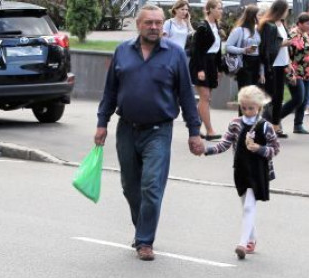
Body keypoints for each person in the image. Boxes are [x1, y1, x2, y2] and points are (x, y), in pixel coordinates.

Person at [95, 4, 204, 262]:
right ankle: (142, 228)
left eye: (158, 23)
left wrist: (194, 131)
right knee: (130, 187)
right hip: (127, 130)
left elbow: (187, 96)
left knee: (151, 187)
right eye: (149, 23)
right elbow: (110, 91)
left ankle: (145, 241)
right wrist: (102, 123)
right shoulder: (122, 51)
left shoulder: (175, 54)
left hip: (159, 131)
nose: (154, 27)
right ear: (138, 25)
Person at [204, 86, 280, 260]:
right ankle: (252, 239)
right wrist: (207, 150)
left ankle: (242, 244)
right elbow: (224, 144)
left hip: (258, 171)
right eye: (244, 107)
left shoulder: (265, 126)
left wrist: (259, 149)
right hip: (241, 169)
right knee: (245, 205)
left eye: (251, 108)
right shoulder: (235, 123)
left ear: (259, 107)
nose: (247, 111)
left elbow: (275, 149)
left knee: (248, 206)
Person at [190, 0, 224, 141]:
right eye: (219, 8)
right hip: (201, 64)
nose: (221, 11)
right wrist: (200, 70)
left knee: (205, 98)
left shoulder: (216, 26)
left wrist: (218, 68)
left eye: (221, 8)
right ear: (210, 9)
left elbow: (217, 51)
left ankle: (195, 130)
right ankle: (210, 131)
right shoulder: (202, 27)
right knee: (205, 98)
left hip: (211, 65)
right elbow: (196, 50)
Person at [258, 0, 291, 138]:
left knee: (278, 97)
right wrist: (285, 43)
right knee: (272, 97)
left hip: (282, 64)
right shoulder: (268, 25)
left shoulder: (281, 24)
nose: (288, 12)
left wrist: (288, 63)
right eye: (286, 10)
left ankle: (275, 126)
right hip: (272, 65)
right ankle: (266, 127)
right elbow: (268, 47)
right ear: (280, 10)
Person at [281, 13, 309, 135]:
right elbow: (287, 55)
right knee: (298, 98)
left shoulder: (307, 34)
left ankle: (298, 125)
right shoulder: (293, 34)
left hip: (307, 71)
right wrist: (289, 73)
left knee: (304, 99)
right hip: (295, 71)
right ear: (299, 24)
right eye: (307, 24)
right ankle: (275, 117)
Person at [227, 5, 264, 92]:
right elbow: (228, 46)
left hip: (256, 63)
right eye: (259, 15)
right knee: (245, 93)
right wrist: (243, 50)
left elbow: (261, 51)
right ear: (252, 16)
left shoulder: (258, 30)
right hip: (244, 63)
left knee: (254, 94)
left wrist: (262, 72)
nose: (261, 18)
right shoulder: (239, 30)